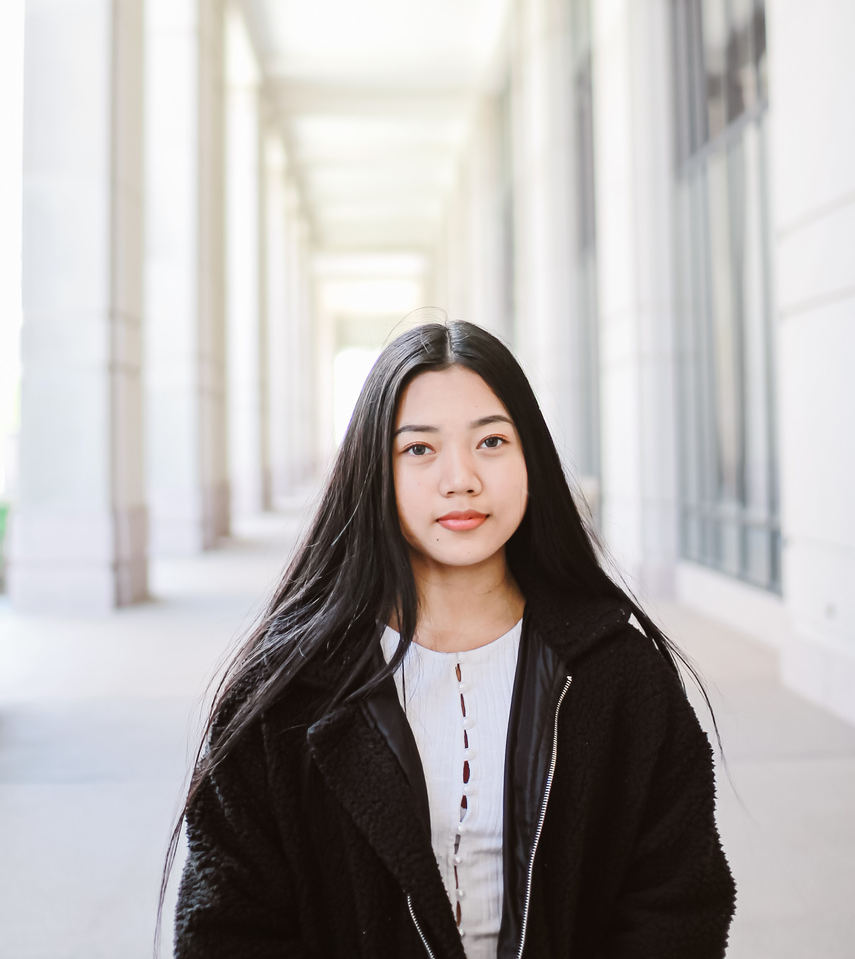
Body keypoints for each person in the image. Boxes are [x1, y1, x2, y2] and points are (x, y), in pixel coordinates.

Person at [168, 320, 735, 959]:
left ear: (531, 459)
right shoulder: (285, 693)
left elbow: (678, 905)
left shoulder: (619, 673)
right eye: (419, 449)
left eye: (491, 441)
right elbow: (227, 927)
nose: (461, 478)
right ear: (373, 472)